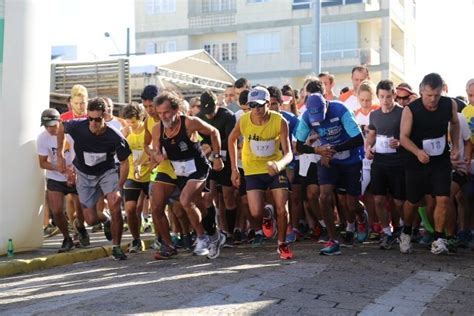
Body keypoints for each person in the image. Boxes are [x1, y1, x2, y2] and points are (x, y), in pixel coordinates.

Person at [152, 91, 226, 259]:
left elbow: (214, 132)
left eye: (167, 112)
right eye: (160, 113)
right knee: (196, 204)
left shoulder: (190, 123)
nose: (163, 117)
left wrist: (217, 157)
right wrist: (157, 156)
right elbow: (157, 151)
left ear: (176, 110)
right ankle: (212, 234)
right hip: (178, 172)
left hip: (198, 168)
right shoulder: (158, 129)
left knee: (186, 200)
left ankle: (202, 238)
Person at [57, 97, 131, 260]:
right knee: (90, 219)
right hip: (84, 173)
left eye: (97, 119)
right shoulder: (78, 127)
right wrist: (60, 156)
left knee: (115, 203)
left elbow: (125, 163)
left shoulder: (115, 136)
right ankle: (106, 220)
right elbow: (61, 127)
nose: (93, 123)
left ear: (104, 117)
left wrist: (119, 186)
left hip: (107, 172)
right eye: (90, 118)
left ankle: (116, 247)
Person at [228, 86, 294, 260]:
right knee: (255, 212)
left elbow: (289, 153)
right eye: (252, 105)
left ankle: (282, 244)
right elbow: (232, 139)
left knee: (282, 207)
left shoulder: (279, 121)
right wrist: (234, 169)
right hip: (252, 169)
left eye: (259, 105)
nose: (256, 109)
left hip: (274, 167)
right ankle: (266, 215)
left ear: (268, 104)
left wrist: (280, 164)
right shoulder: (243, 120)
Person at [295, 94, 366, 255]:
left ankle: (361, 217)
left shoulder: (341, 110)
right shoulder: (306, 117)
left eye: (321, 115)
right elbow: (299, 146)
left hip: (351, 158)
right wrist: (317, 150)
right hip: (328, 159)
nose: (319, 120)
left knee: (351, 203)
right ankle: (333, 239)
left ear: (326, 105)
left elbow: (358, 139)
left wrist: (331, 151)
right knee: (324, 197)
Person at [399, 73, 460, 255]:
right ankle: (407, 231)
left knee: (443, 198)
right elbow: (403, 137)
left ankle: (439, 238)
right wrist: (417, 152)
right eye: (428, 95)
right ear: (421, 91)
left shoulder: (450, 104)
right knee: (413, 200)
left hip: (440, 158)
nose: (433, 100)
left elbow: (455, 124)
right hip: (416, 159)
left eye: (436, 96)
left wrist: (455, 145)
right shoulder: (411, 110)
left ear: (442, 92)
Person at [37, 108, 89, 252]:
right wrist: (58, 168)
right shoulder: (42, 138)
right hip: (56, 176)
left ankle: (81, 227)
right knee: (57, 210)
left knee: (80, 208)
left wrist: (74, 172)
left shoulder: (71, 134)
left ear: (60, 122)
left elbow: (81, 155)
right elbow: (42, 163)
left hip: (75, 171)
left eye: (53, 125)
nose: (50, 129)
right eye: (47, 126)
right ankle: (67, 238)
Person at [365, 80, 404, 249]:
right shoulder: (374, 115)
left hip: (398, 162)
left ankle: (402, 229)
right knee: (378, 199)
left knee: (399, 202)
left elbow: (410, 134)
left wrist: (401, 142)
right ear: (378, 97)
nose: (385, 100)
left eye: (389, 96)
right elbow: (371, 135)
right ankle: (387, 231)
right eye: (382, 97)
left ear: (394, 95)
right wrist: (368, 148)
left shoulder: (403, 113)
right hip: (379, 161)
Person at [198, 90, 238, 241]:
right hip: (208, 162)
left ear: (217, 104)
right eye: (206, 112)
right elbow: (195, 137)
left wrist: (215, 152)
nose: (209, 115)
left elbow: (230, 140)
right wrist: (204, 145)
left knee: (228, 196)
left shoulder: (227, 116)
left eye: (211, 111)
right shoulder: (199, 118)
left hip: (225, 160)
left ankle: (230, 232)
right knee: (208, 196)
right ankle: (212, 232)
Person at [121, 103, 151, 253]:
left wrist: (143, 163)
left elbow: (155, 152)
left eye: (133, 121)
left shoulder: (148, 130)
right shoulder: (125, 132)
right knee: (130, 208)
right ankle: (136, 240)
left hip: (151, 174)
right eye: (128, 121)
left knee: (158, 208)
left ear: (140, 118)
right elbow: (118, 154)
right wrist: (122, 136)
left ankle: (161, 239)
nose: (130, 125)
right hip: (133, 175)